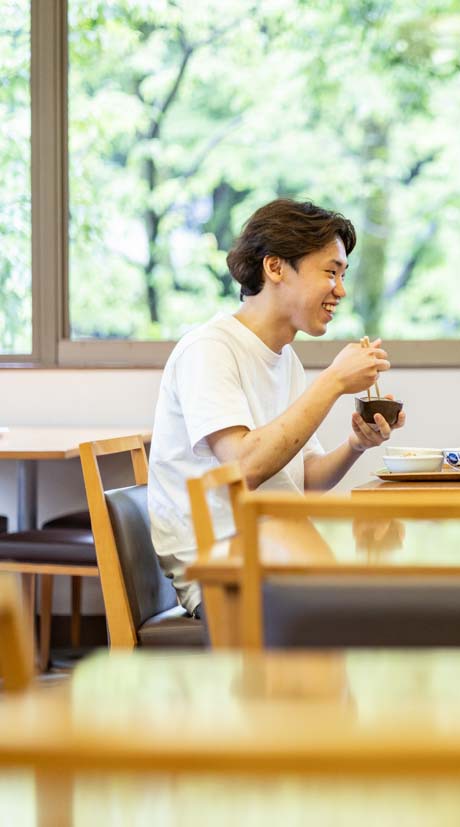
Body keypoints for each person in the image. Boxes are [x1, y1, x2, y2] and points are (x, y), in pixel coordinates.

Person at [148, 199, 406, 617]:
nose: (340, 290)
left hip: (280, 554)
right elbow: (243, 468)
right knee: (380, 605)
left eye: (343, 275)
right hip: (225, 570)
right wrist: (334, 381)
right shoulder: (209, 349)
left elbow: (306, 481)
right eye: (330, 272)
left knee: (395, 583)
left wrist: (357, 444)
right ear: (275, 268)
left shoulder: (286, 361)